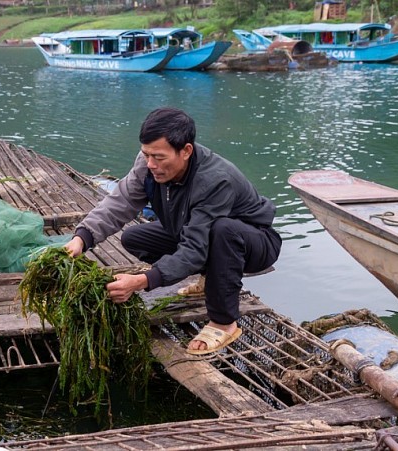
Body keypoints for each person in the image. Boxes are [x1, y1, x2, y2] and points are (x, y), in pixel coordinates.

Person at [65, 107, 281, 355]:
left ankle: (224, 322)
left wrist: (143, 281)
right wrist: (81, 238)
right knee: (135, 238)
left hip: (254, 242)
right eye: (146, 154)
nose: (151, 164)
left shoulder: (215, 180)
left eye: (159, 157)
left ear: (186, 151)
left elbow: (194, 249)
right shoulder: (148, 165)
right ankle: (209, 278)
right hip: (199, 232)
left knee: (223, 230)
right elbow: (120, 203)